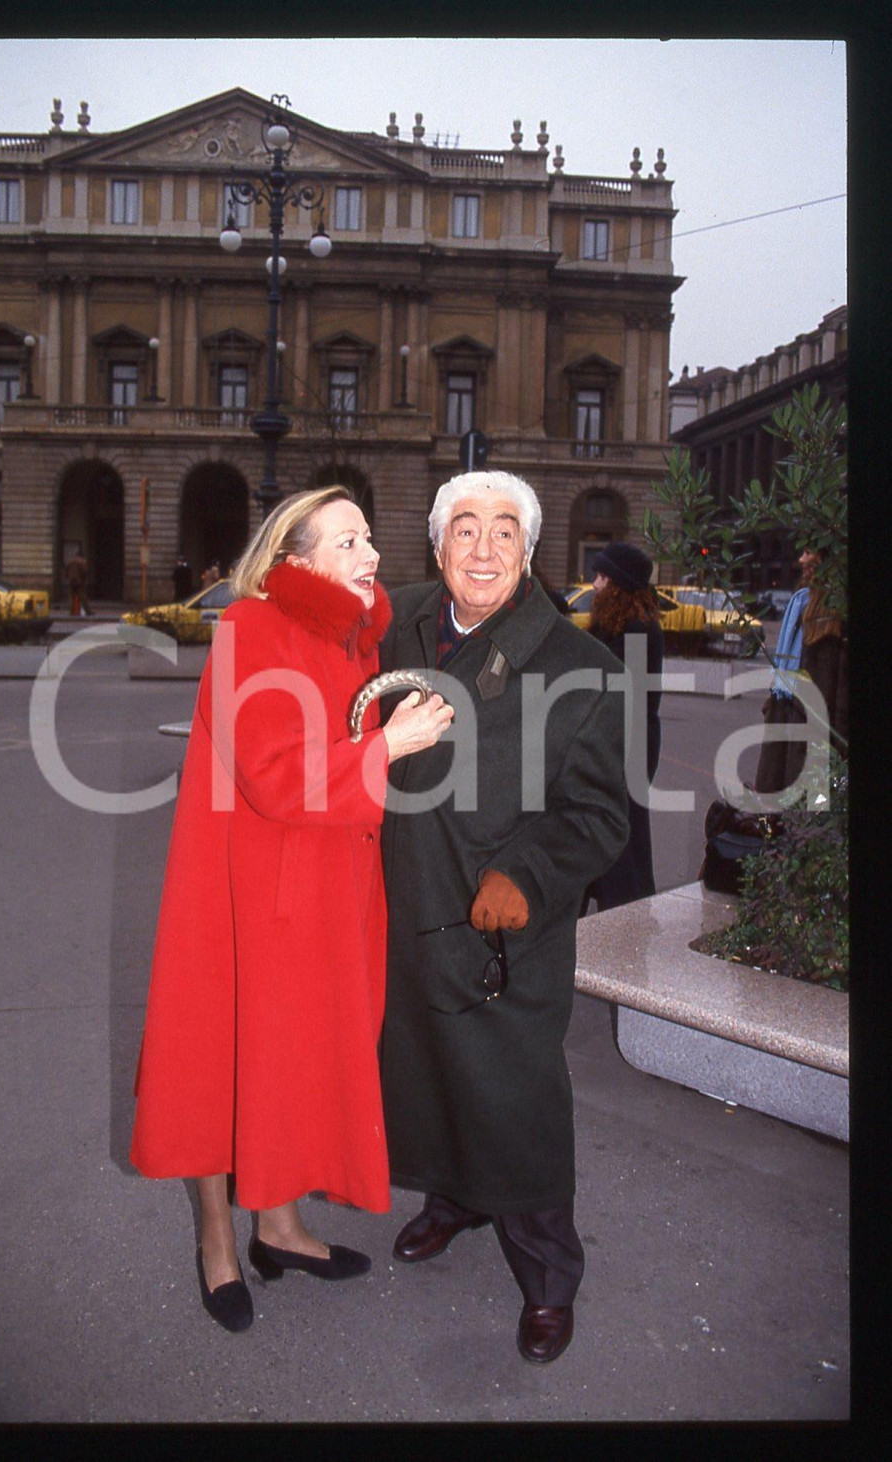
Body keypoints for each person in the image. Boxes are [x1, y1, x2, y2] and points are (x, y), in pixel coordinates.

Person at [130, 486, 453, 1334]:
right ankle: (215, 1242)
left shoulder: (348, 637)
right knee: (219, 1061)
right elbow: (277, 775)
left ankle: (277, 1225)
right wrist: (390, 744)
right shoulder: (251, 630)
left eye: (370, 539)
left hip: (323, 892)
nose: (371, 555)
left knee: (295, 1063)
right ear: (295, 560)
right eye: (348, 542)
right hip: (245, 892)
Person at [378, 469, 629, 1365]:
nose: (482, 551)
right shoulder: (399, 623)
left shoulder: (582, 668)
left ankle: (550, 1276)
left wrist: (527, 873)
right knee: (427, 1075)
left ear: (529, 551)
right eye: (465, 532)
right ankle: (454, 1198)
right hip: (405, 907)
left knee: (512, 1100)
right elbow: (315, 597)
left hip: (498, 930)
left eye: (503, 534)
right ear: (438, 546)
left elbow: (600, 815)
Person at [582, 542, 664, 911]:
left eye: (602, 577)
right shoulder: (620, 625)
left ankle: (627, 918)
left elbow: (613, 689)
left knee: (622, 844)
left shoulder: (637, 630)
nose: (595, 584)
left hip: (625, 749)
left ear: (618, 585)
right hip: (618, 747)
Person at [753, 546, 848, 793]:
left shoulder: (833, 615)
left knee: (811, 808)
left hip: (813, 732)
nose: (801, 560)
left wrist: (839, 743)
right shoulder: (802, 603)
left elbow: (839, 691)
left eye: (810, 552)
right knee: (782, 804)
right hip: (787, 719)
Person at [64, 551, 92, 616]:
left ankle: (71, 612)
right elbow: (85, 572)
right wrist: (84, 580)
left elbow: (66, 571)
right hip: (79, 582)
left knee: (71, 597)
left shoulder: (70, 561)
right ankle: (88, 611)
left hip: (71, 582)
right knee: (83, 597)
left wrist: (68, 578)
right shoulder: (82, 562)